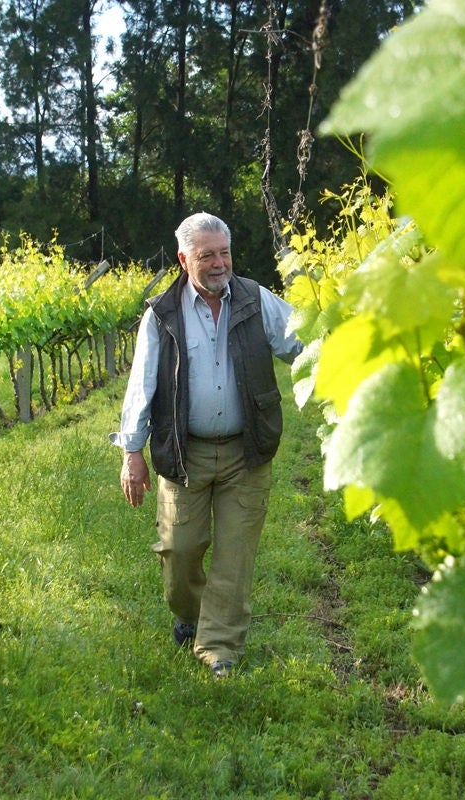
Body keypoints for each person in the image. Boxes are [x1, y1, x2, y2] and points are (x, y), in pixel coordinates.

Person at [110, 212, 302, 678]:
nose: (219, 264)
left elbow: (302, 343)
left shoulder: (257, 301)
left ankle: (219, 650)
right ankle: (190, 614)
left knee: (234, 557)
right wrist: (131, 453)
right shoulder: (161, 314)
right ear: (183, 260)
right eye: (206, 256)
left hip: (247, 452)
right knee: (179, 550)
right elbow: (142, 383)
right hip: (184, 453)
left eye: (224, 253)